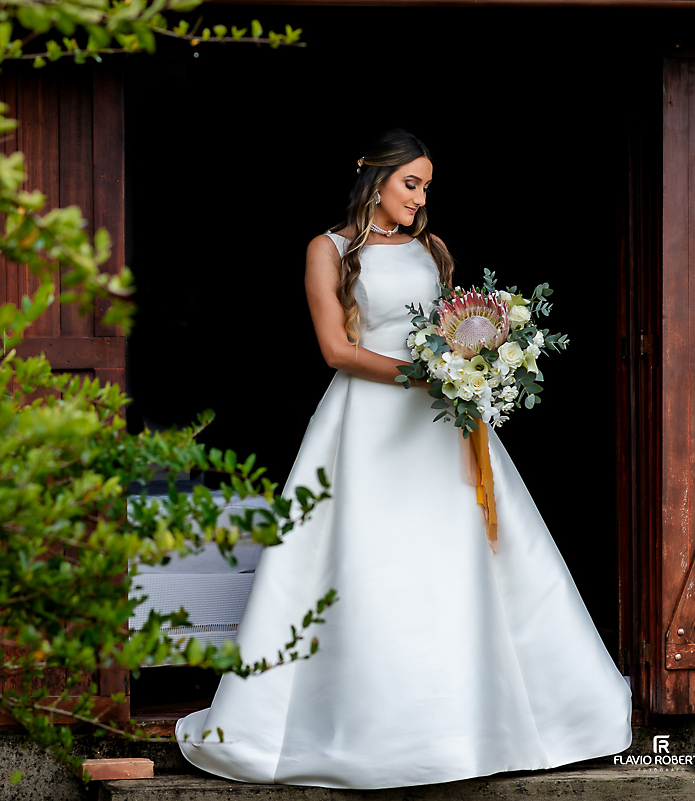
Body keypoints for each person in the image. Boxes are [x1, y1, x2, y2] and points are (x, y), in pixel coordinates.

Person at [174, 129, 633, 789]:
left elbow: (454, 325)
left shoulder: (433, 247)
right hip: (366, 422)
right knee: (366, 557)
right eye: (410, 183)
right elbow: (335, 349)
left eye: (426, 185)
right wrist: (422, 375)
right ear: (375, 179)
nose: (420, 197)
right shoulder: (327, 249)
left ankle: (492, 719)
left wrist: (479, 357)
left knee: (463, 555)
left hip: (441, 424)